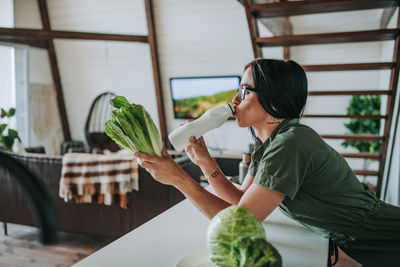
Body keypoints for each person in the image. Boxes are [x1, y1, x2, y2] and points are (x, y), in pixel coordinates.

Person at [135, 58, 400, 267]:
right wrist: (205, 162)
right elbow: (240, 201)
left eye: (245, 90)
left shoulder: (290, 144)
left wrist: (179, 178)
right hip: (365, 238)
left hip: (385, 236)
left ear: (273, 98)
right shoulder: (271, 144)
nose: (235, 100)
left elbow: (241, 224)